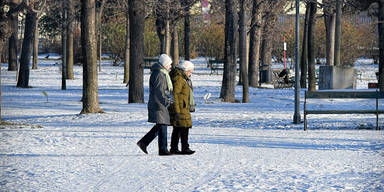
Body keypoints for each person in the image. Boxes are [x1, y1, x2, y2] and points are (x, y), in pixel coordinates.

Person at [137, 54, 174, 156]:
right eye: (169, 65)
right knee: (162, 125)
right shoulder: (159, 74)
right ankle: (162, 149)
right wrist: (166, 101)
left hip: (160, 103)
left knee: (161, 125)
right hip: (159, 104)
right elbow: (159, 91)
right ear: (165, 64)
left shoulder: (162, 73)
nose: (170, 67)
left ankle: (144, 143)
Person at [169, 61, 196, 155]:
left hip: (183, 106)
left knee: (178, 128)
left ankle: (174, 148)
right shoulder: (179, 79)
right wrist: (176, 110)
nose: (190, 73)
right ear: (185, 70)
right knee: (184, 128)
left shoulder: (181, 78)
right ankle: (184, 148)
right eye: (190, 71)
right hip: (180, 107)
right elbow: (175, 95)